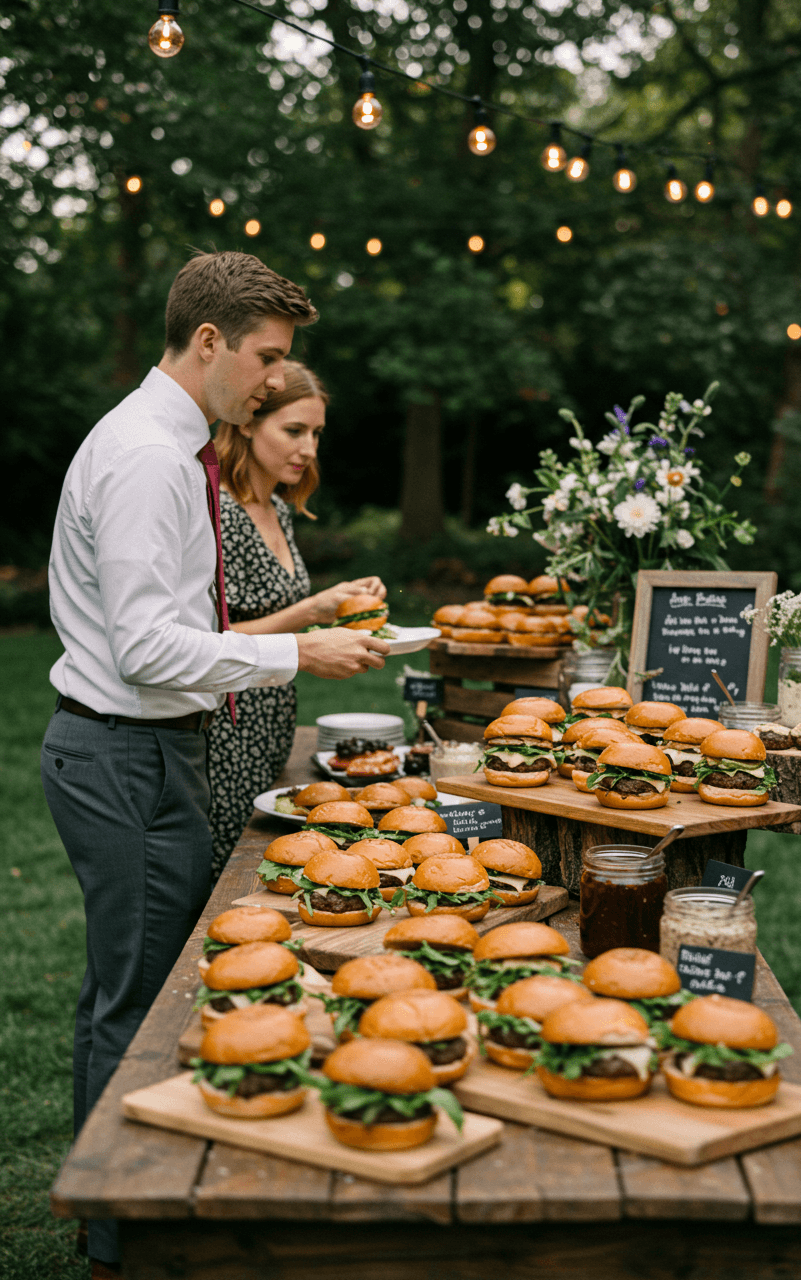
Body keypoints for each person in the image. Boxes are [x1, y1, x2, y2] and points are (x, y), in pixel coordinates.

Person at [40, 251, 389, 1278]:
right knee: (144, 1006)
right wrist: (298, 649)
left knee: (127, 990)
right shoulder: (149, 455)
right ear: (208, 342)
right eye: (266, 358)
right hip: (127, 756)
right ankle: (122, 1238)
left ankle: (108, 1206)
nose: (274, 381)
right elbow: (150, 649)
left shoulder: (170, 442)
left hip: (148, 749)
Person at [207, 359, 386, 879]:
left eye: (316, 433)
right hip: (224, 728)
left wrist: (347, 604)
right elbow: (211, 638)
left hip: (272, 720)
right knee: (228, 875)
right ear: (246, 422)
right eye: (293, 430)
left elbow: (277, 614)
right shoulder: (217, 511)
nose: (308, 449)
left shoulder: (280, 510)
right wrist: (314, 610)